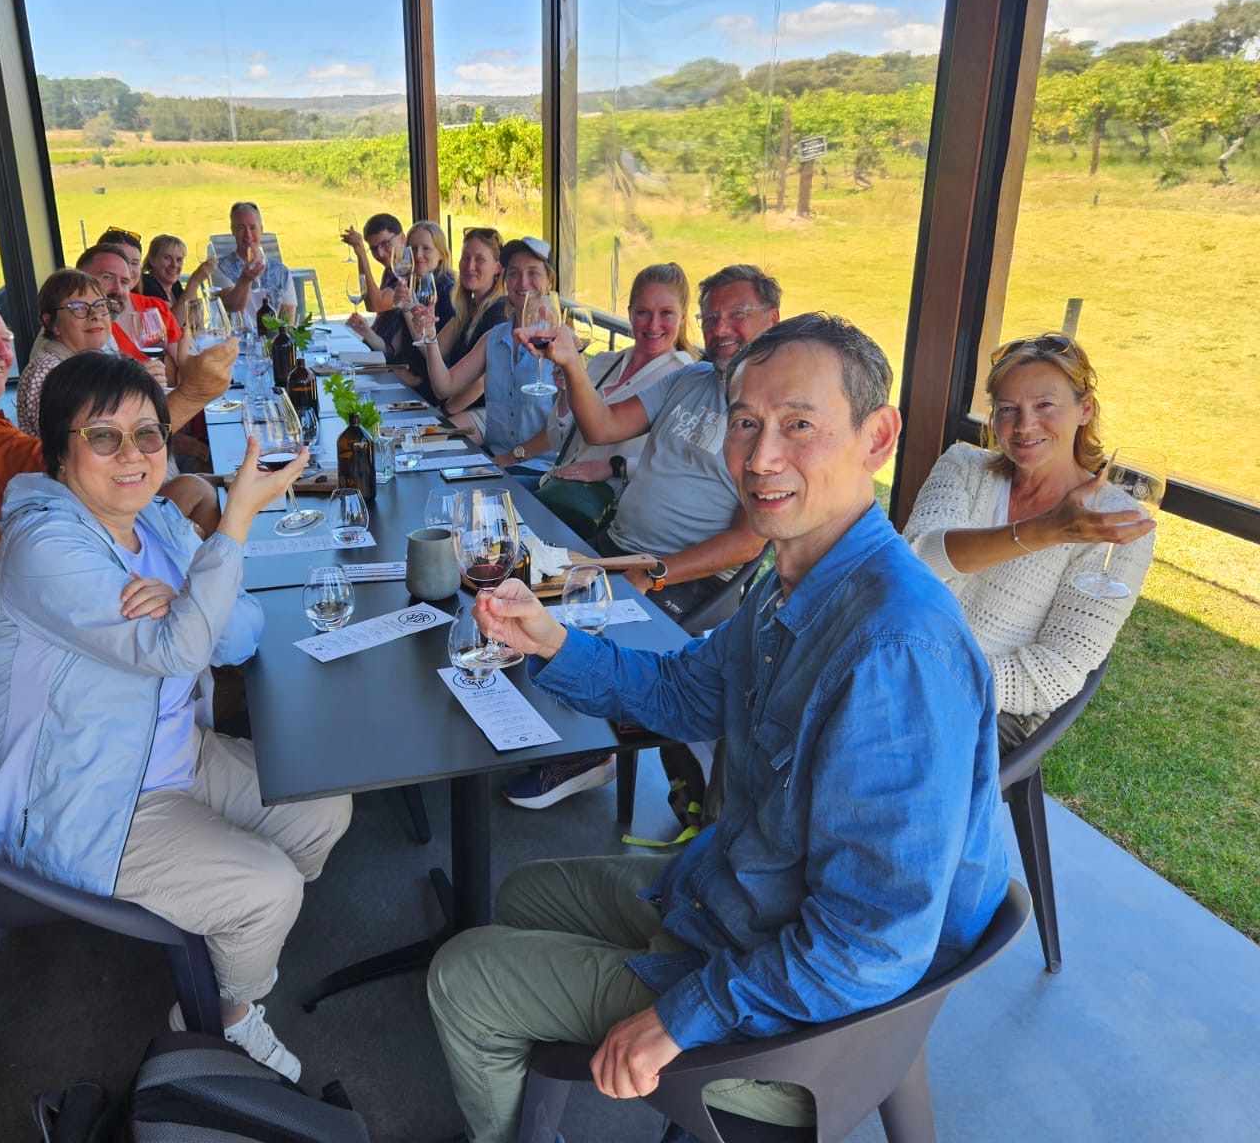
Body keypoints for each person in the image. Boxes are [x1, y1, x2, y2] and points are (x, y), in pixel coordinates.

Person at [426, 313, 1009, 1143]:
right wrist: (548, 638)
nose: (761, 458)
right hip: (732, 907)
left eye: (799, 426)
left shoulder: (895, 651)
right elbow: (678, 692)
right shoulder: (792, 580)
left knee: (463, 975)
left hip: (802, 1033)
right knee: (520, 892)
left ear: (877, 438)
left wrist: (680, 1017)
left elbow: (870, 947)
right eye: (746, 424)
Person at [0, 352, 350, 1083]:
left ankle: (216, 942)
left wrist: (184, 601)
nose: (133, 454)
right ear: (57, 452)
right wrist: (231, 529)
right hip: (78, 797)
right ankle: (219, 1020)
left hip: (171, 753)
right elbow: (179, 652)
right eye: (103, 437)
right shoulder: (45, 546)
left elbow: (238, 635)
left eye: (148, 435)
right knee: (269, 888)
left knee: (322, 806)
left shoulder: (159, 525)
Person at [500, 266, 775, 810]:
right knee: (504, 583)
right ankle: (539, 726)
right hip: (616, 546)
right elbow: (601, 428)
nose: (721, 328)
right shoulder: (690, 378)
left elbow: (749, 542)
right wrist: (572, 363)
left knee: (571, 624)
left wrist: (655, 571)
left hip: (687, 580)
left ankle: (590, 753)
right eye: (711, 316)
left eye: (737, 315)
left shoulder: (767, 416)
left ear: (773, 320)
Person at [902, 333, 1156, 749]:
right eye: (1007, 409)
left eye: (1045, 405)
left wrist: (927, 676)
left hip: (992, 707)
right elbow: (912, 566)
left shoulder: (1115, 524)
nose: (1023, 426)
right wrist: (1046, 530)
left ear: (1084, 409)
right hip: (895, 662)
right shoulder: (963, 468)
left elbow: (1055, 672)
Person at [0, 292, 232, 595]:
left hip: (68, 550)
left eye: (6, 340)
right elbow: (70, 466)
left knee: (199, 488)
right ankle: (220, 643)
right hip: (72, 581)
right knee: (206, 507)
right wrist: (194, 393)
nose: (2, 352)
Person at [510, 262, 698, 483]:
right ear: (629, 313)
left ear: (683, 317)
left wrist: (615, 467)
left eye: (666, 313)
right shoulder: (604, 361)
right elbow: (558, 439)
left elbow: (682, 461)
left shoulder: (684, 378)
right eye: (643, 312)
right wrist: (565, 388)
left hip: (607, 506)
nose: (653, 325)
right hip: (559, 487)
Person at [420, 237, 558, 454]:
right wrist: (428, 335)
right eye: (513, 273)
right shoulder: (493, 339)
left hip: (540, 472)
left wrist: (510, 460)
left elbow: (568, 424)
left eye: (533, 273)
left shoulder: (563, 342)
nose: (522, 283)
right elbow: (444, 387)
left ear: (549, 281)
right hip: (497, 465)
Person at [346, 219, 455, 401]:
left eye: (426, 248)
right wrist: (366, 331)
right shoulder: (412, 285)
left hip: (427, 390)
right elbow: (391, 349)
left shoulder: (448, 292)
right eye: (412, 249)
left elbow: (435, 354)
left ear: (442, 253)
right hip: (403, 380)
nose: (418, 254)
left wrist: (406, 309)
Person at [15, 268, 114, 436]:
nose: (95, 314)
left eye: (100, 305)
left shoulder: (89, 362)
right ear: (51, 322)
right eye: (79, 308)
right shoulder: (47, 373)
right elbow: (75, 443)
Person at [75, 243, 176, 372]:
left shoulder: (102, 327)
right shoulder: (71, 329)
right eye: (107, 277)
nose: (118, 289)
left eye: (124, 282)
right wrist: (138, 378)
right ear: (80, 279)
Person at [212, 201, 298, 324]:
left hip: (271, 341)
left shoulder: (281, 272)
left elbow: (288, 322)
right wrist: (245, 279)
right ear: (233, 231)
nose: (248, 234)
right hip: (234, 341)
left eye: (253, 227)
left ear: (261, 230)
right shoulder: (221, 268)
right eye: (241, 228)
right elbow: (231, 308)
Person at [140, 233, 218, 331]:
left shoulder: (175, 286)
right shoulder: (147, 284)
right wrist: (195, 281)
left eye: (179, 259)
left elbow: (197, 326)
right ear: (152, 260)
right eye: (167, 258)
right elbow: (170, 327)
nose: (174, 265)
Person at [340, 211, 405, 316]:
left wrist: (361, 254)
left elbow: (375, 304)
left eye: (385, 243)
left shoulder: (410, 271)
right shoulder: (391, 269)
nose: (380, 253)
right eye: (374, 248)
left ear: (402, 238)